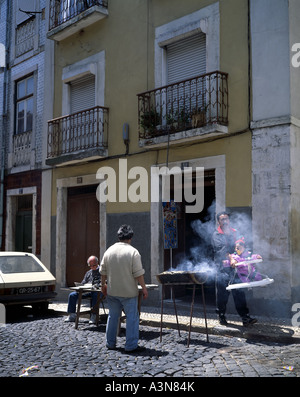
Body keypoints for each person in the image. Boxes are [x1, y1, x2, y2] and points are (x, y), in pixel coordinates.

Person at [100, 225, 148, 352]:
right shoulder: (133, 252)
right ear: (130, 237)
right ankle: (131, 345)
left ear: (119, 236)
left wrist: (103, 285)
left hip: (112, 291)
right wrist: (144, 288)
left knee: (112, 316)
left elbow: (103, 271)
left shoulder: (109, 251)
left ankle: (110, 343)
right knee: (132, 318)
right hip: (128, 292)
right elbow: (138, 274)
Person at [211, 212, 257, 326]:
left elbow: (242, 246)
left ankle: (245, 317)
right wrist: (231, 258)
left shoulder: (235, 232)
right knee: (223, 293)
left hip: (237, 268)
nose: (225, 221)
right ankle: (221, 315)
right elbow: (221, 249)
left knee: (239, 292)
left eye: (226, 219)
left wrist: (252, 256)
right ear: (218, 222)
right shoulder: (216, 235)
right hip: (223, 268)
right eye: (222, 219)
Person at [64, 255, 101, 324]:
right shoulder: (88, 273)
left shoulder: (102, 271)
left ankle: (94, 315)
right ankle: (72, 315)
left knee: (95, 295)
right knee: (72, 295)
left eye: (94, 265)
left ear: (97, 263)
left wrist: (96, 286)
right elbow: (83, 282)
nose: (92, 267)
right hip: (87, 291)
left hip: (97, 292)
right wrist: (81, 286)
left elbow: (103, 283)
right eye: (90, 266)